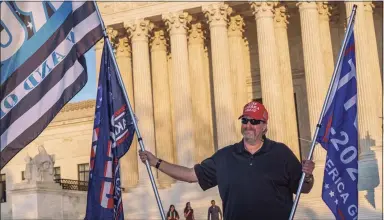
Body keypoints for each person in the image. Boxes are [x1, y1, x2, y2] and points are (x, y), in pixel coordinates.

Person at [139, 101, 315, 219]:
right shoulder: (225, 157)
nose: (248, 126)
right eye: (245, 120)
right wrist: (156, 162)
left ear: (264, 126)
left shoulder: (281, 153)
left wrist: (307, 176)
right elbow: (190, 175)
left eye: (254, 121)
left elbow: (303, 187)